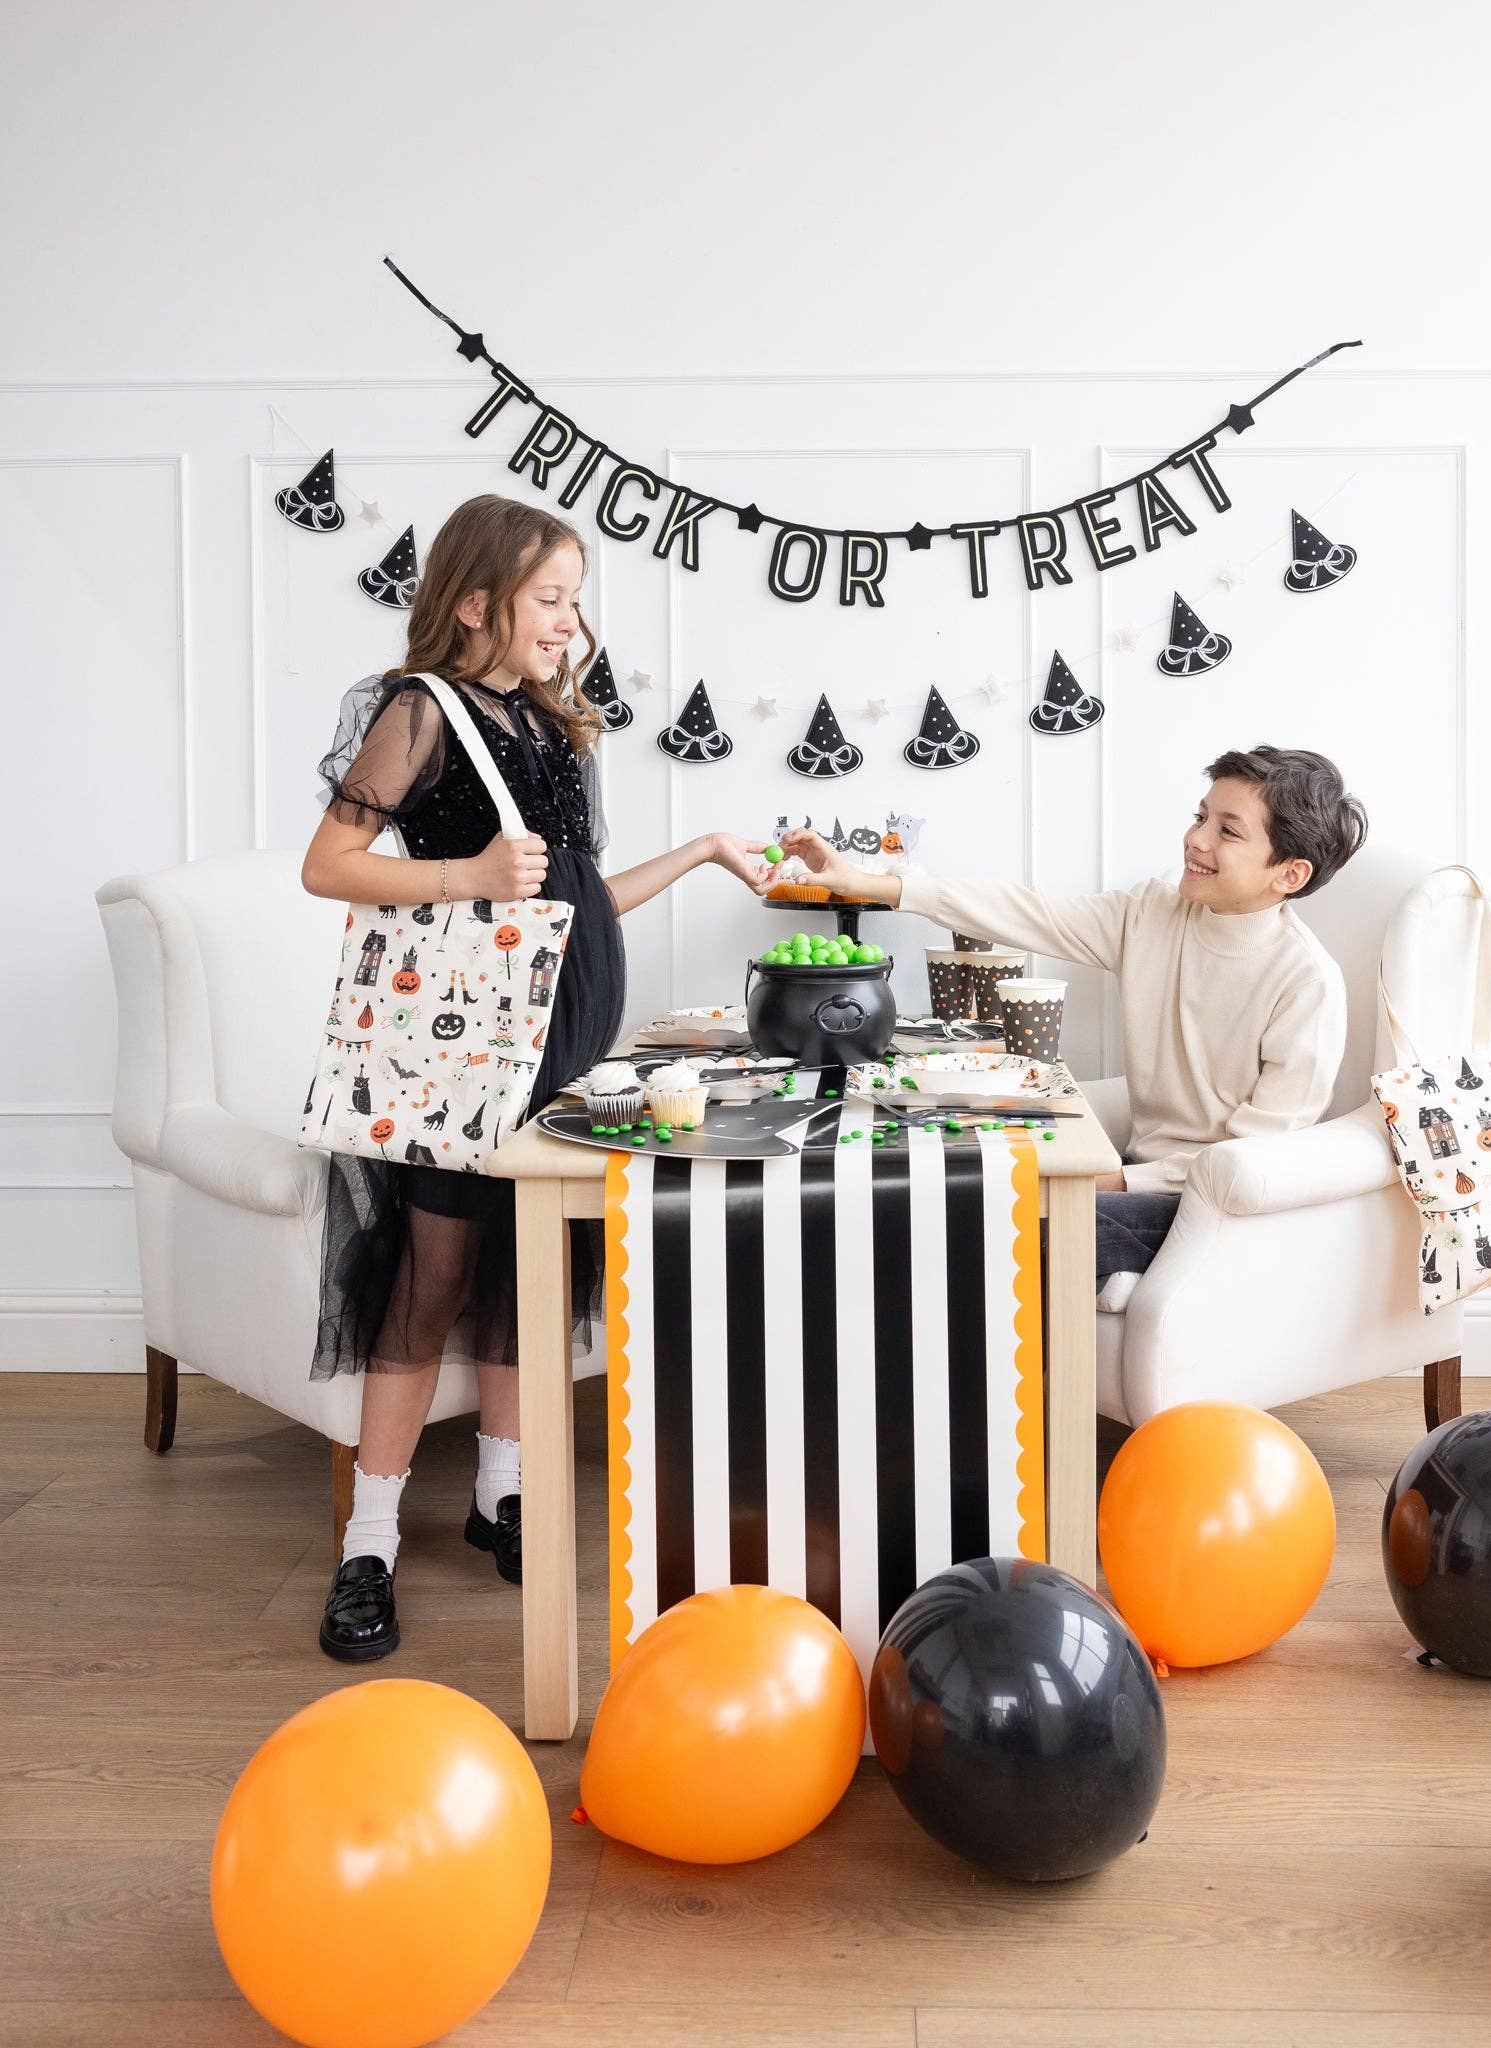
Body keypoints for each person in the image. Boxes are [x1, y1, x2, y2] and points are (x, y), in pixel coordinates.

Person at [301, 493, 775, 1662]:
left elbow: (575, 897)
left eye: (574, 600)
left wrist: (704, 850)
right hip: (465, 1050)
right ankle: (369, 1542)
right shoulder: (421, 711)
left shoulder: (554, 727)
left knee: (529, 1270)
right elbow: (330, 864)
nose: (569, 622)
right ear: (475, 602)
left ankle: (498, 1491)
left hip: (559, 1045)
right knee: (431, 1279)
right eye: (549, 599)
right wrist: (462, 873)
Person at [782, 745, 1366, 1309]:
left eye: (1228, 831)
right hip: (1132, 1172)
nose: (1197, 839)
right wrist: (869, 884)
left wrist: (1118, 1183)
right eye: (1200, 817)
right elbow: (1033, 914)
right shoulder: (1154, 911)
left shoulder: (1306, 982)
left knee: (1003, 1229)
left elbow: (1255, 1157)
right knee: (946, 1193)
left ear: (1289, 874)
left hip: (1206, 1207)